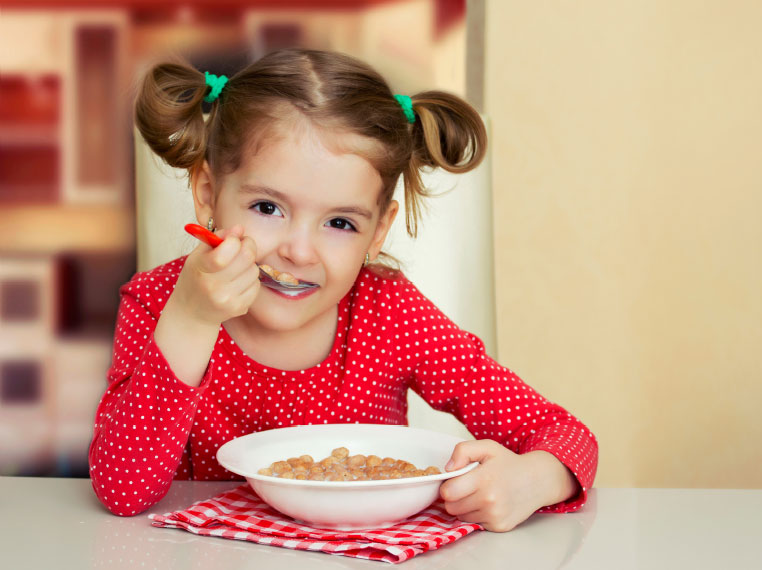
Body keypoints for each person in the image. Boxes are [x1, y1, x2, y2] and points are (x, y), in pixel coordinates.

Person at [89, 48, 598, 532]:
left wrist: (531, 480)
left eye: (339, 222)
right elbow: (121, 490)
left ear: (377, 232)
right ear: (207, 195)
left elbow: (568, 436)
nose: (300, 251)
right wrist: (190, 319)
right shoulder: (160, 303)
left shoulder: (391, 314)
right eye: (268, 208)